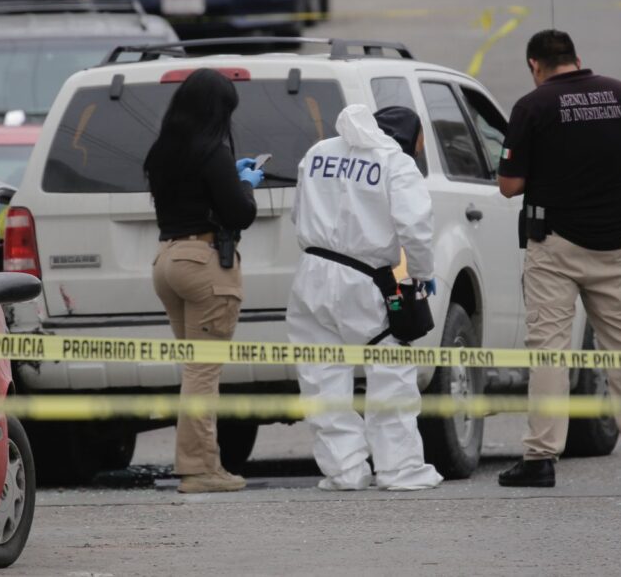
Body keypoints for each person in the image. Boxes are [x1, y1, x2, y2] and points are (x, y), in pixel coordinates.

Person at [496, 29, 621, 488]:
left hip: (554, 247)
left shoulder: (533, 106)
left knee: (550, 352)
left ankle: (541, 459)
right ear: (577, 59)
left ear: (534, 65)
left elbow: (509, 185)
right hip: (616, 244)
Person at [287, 103, 444, 492]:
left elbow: (297, 213)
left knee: (321, 376)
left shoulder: (318, 152)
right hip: (366, 278)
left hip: (311, 274)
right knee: (391, 372)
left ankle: (345, 471)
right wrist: (421, 274)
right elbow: (416, 228)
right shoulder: (394, 162)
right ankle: (399, 470)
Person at [144, 68, 265, 494]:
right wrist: (245, 184)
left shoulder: (163, 151)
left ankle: (205, 464)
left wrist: (231, 174)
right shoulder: (211, 152)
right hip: (203, 263)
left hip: (167, 258)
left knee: (194, 369)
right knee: (203, 372)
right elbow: (240, 214)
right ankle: (199, 470)